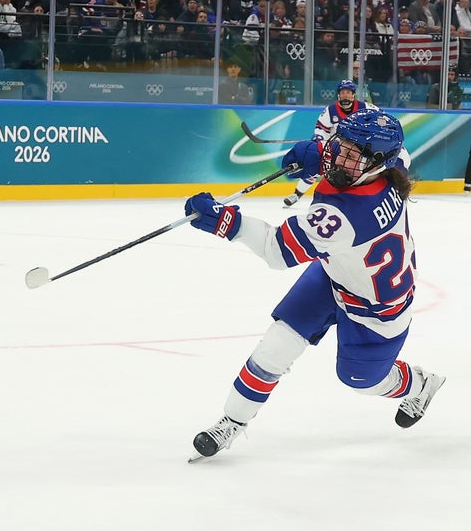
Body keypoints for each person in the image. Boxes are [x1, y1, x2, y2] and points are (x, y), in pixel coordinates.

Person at [185, 109, 445, 461]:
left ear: (376, 163)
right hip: (335, 273)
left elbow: (276, 250)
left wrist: (225, 222)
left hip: (376, 312)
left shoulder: (344, 218)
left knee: (362, 381)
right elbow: (398, 154)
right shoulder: (392, 167)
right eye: (342, 146)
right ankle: (232, 421)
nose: (340, 156)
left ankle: (420, 384)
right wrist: (322, 157)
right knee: (275, 346)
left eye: (353, 154)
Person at [283, 79, 375, 207]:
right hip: (337, 148)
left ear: (353, 94)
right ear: (338, 95)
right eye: (343, 93)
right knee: (315, 164)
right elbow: (321, 128)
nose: (345, 96)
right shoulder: (331, 111)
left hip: (358, 149)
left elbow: (381, 119)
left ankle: (358, 198)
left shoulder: (366, 108)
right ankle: (297, 194)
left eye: (348, 92)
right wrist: (319, 138)